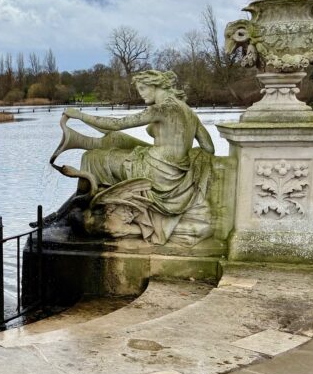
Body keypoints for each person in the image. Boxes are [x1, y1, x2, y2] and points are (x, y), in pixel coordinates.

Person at [49, 70, 214, 245]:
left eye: (143, 88)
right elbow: (209, 147)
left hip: (156, 172)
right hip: (174, 171)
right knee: (117, 140)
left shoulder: (161, 108)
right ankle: (75, 208)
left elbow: (118, 123)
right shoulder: (188, 111)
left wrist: (80, 115)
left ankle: (79, 211)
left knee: (92, 158)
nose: (141, 93)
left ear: (155, 85)